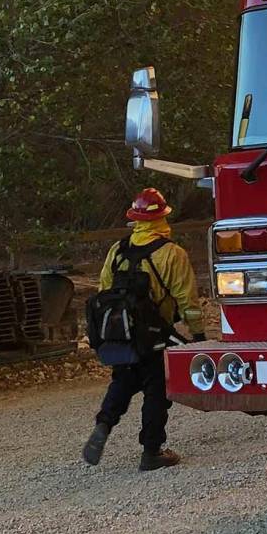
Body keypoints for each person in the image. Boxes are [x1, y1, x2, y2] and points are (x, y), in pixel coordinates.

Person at [82, 187, 204, 472]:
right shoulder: (172, 253)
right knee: (156, 390)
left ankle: (104, 423)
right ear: (163, 217)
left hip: (122, 335)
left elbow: (104, 290)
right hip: (155, 335)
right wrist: (198, 336)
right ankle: (152, 451)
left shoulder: (118, 250)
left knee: (123, 381)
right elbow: (188, 300)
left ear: (135, 219)